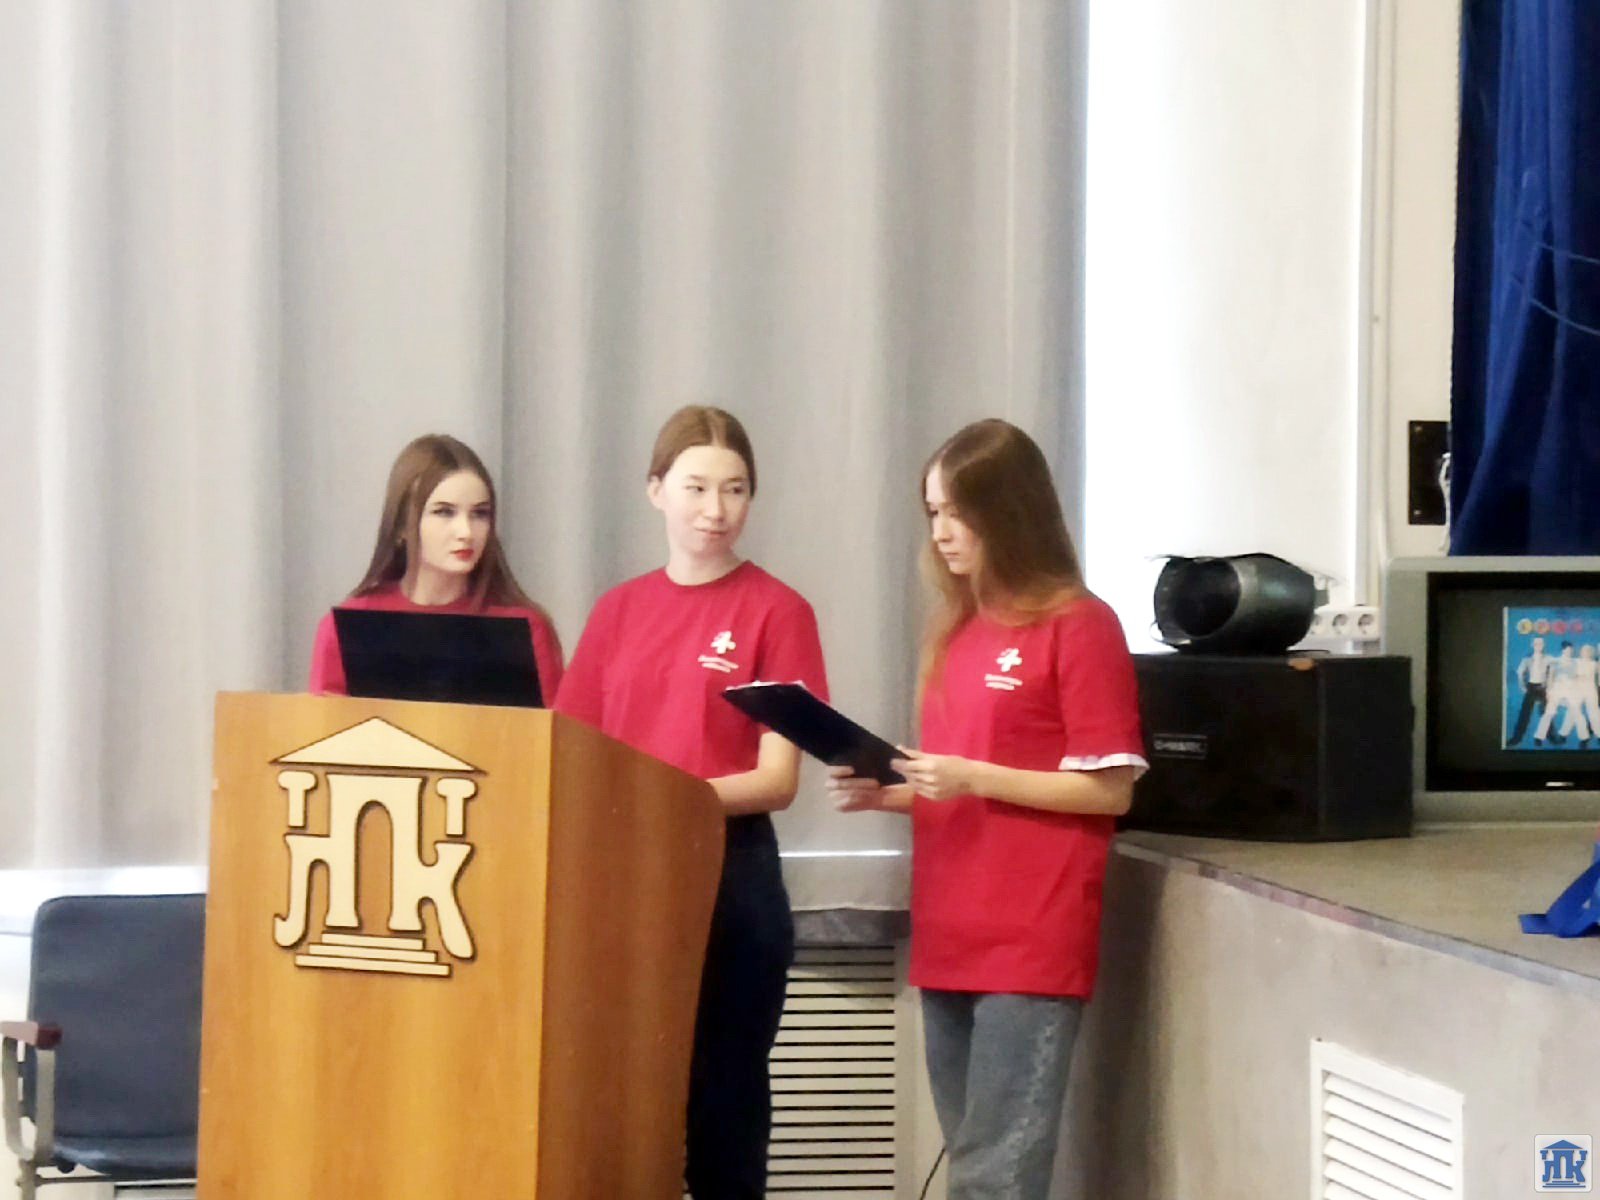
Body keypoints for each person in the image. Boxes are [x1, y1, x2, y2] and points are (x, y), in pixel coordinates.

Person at [826, 418, 1146, 1200]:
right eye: (933, 512)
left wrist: (971, 776)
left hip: (1029, 937)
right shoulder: (959, 629)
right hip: (950, 929)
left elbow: (1110, 789)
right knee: (972, 1164)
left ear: (1009, 513)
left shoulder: (1080, 625)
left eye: (958, 512)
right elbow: (962, 784)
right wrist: (891, 793)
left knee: (997, 1178)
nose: (941, 533)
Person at [553, 405, 828, 1200]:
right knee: (622, 1105)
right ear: (656, 491)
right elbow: (571, 756)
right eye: (697, 487)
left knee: (724, 1107)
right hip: (624, 877)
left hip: (730, 873)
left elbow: (777, 779)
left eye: (735, 489)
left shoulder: (778, 610)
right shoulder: (618, 612)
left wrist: (661, 799)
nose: (716, 509)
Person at [308, 433, 563, 698]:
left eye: (479, 513)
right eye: (444, 512)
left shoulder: (526, 627)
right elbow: (325, 723)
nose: (466, 532)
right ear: (401, 526)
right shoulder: (348, 626)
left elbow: (551, 725)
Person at [1507, 635, 1551, 746]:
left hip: (1543, 688)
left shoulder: (1548, 658)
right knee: (1524, 714)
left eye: (1541, 643)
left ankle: (1548, 737)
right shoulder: (1527, 659)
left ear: (1544, 645)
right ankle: (1516, 738)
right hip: (1531, 687)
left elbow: (1552, 674)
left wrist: (1549, 688)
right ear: (1532, 645)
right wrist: (1522, 686)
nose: (1539, 646)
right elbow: (1520, 673)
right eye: (1536, 644)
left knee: (1547, 713)